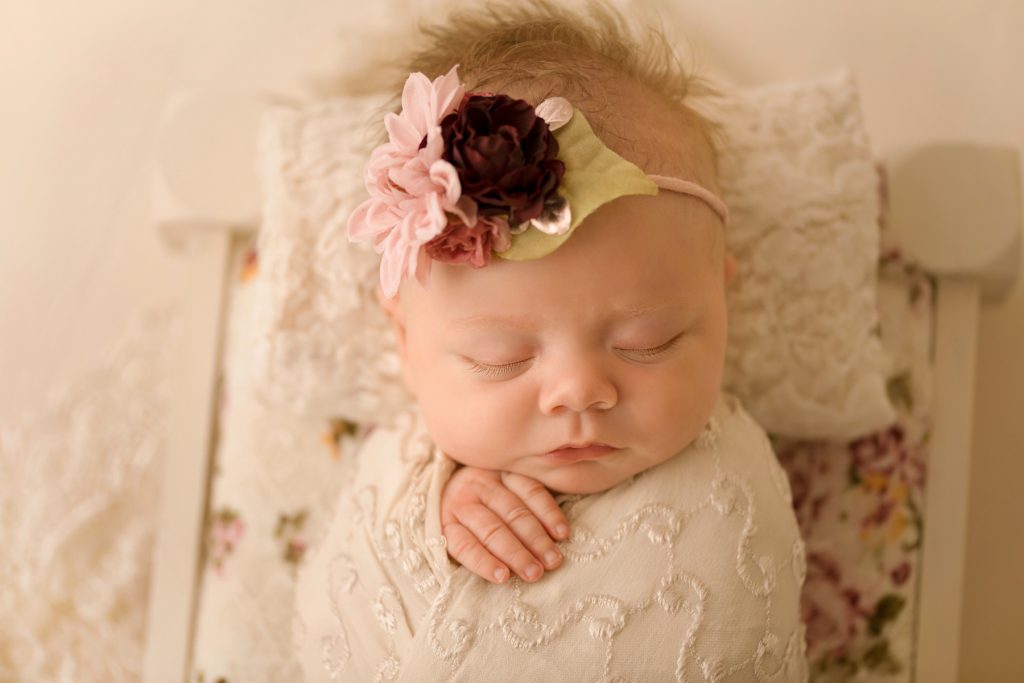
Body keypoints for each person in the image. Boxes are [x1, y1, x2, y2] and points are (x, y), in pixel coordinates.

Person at [294, 1, 807, 680]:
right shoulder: (408, 471)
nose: (580, 391)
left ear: (721, 298)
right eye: (499, 359)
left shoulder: (727, 484)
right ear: (404, 338)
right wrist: (431, 508)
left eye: (648, 340)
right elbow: (352, 597)